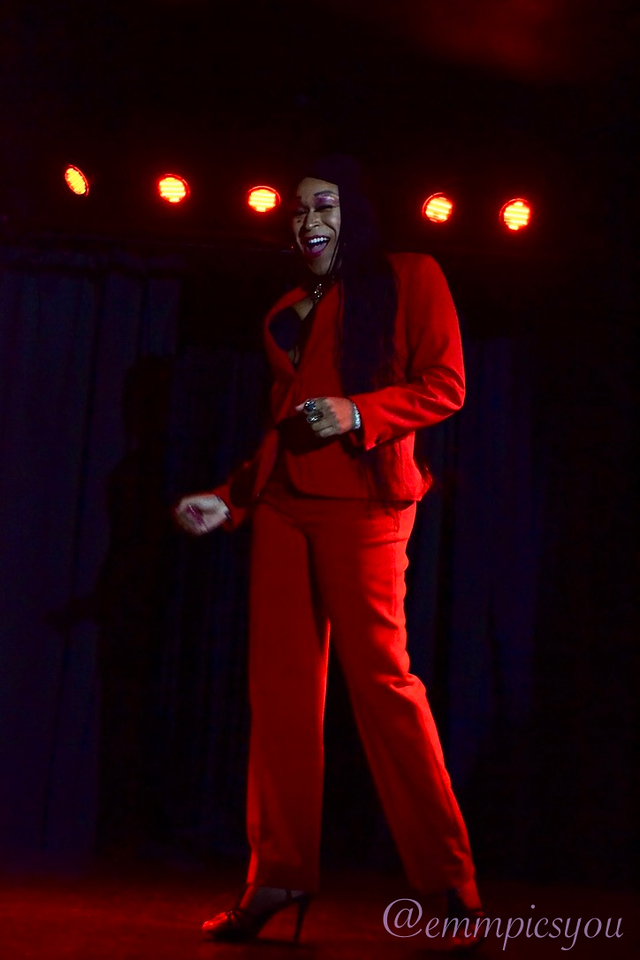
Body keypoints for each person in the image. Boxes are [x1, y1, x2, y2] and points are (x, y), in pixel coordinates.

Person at [173, 155, 484, 950]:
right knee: (279, 694)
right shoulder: (284, 312)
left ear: (357, 215)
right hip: (283, 510)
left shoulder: (410, 276)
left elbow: (445, 385)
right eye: (298, 210)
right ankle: (275, 873)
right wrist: (232, 499)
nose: (307, 221)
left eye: (325, 206)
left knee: (384, 686)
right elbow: (283, 430)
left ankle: (450, 881)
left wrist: (358, 413)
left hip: (368, 506)